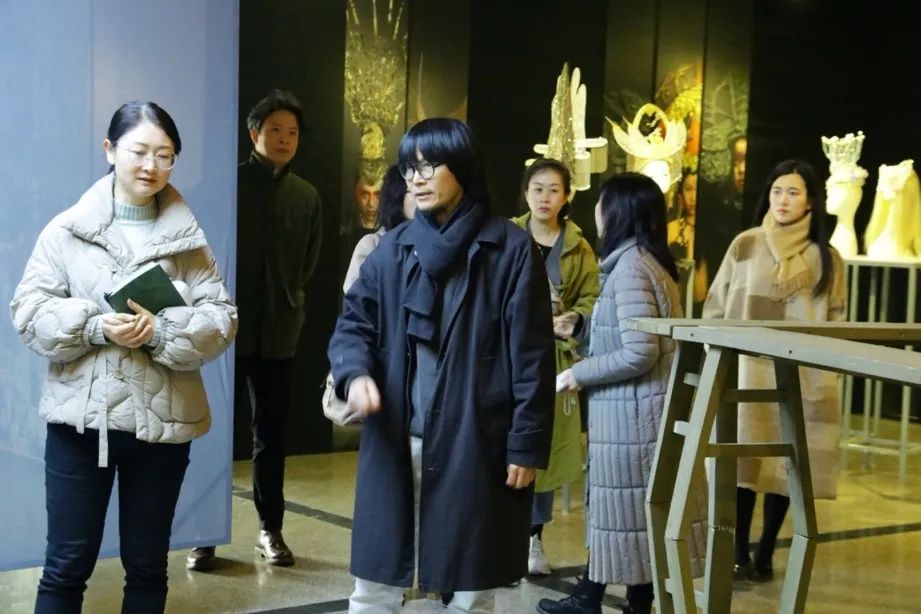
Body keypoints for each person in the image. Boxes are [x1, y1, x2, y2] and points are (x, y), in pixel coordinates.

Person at [9, 101, 238, 613]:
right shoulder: (65, 231)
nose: (151, 166)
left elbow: (222, 320)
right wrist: (94, 326)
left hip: (163, 425)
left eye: (165, 155)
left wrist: (160, 331)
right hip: (80, 426)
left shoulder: (189, 241)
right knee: (65, 567)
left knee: (148, 567)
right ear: (110, 151)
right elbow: (28, 312)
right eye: (139, 151)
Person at [328, 117, 555, 613]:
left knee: (471, 588)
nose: (417, 178)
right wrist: (356, 373)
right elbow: (353, 324)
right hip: (396, 437)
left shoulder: (510, 250)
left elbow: (533, 358)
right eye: (410, 168)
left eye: (430, 165)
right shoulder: (393, 248)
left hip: (476, 442)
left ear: (463, 167)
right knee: (375, 581)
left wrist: (525, 444)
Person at [543, 173, 706, 614]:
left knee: (624, 511)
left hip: (633, 415)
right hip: (639, 411)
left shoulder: (631, 267)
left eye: (603, 203)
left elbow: (639, 352)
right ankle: (624, 601)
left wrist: (579, 373)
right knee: (632, 515)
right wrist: (582, 326)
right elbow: (630, 335)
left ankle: (596, 599)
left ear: (619, 212)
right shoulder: (644, 262)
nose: (597, 211)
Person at [186, 89, 323, 571]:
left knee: (271, 435)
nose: (284, 139)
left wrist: (290, 300)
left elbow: (308, 262)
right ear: (253, 134)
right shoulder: (227, 184)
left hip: (278, 331)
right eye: (275, 130)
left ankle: (271, 529)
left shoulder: (306, 196)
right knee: (215, 432)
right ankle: (204, 533)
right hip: (223, 329)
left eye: (292, 133)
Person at [702, 159, 845, 582]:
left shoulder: (828, 259)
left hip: (801, 375)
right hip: (747, 371)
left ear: (811, 202)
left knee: (788, 467)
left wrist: (826, 369)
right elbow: (716, 304)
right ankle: (738, 551)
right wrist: (718, 355)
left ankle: (766, 550)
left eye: (793, 193)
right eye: (777, 191)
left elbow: (837, 319)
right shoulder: (746, 243)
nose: (782, 200)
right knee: (743, 461)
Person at [510, 158, 599, 576]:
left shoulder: (579, 246)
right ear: (526, 192)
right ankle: (501, 534)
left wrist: (576, 318)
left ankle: (533, 537)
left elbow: (592, 298)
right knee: (503, 442)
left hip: (553, 358)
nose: (545, 197)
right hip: (506, 355)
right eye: (538, 188)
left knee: (542, 447)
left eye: (554, 190)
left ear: (567, 197)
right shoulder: (507, 234)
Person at [342, 163, 416, 293]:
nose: (421, 197)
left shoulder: (431, 242)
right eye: (413, 191)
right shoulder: (372, 244)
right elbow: (355, 297)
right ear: (397, 196)